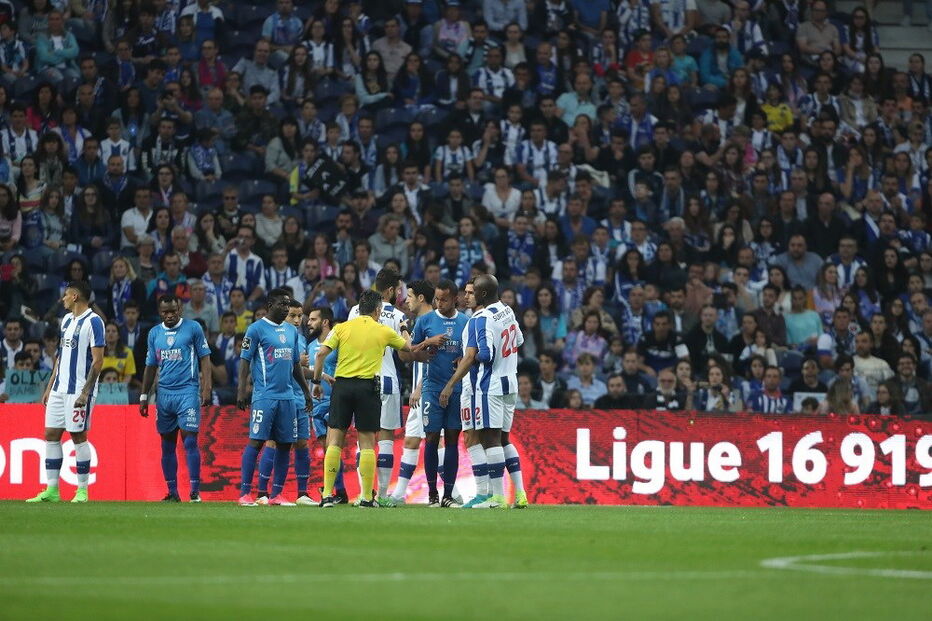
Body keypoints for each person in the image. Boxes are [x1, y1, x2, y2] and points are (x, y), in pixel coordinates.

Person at [313, 289, 428, 508]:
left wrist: (317, 382)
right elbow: (409, 347)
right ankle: (366, 497)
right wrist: (404, 328)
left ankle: (327, 494)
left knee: (335, 440)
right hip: (368, 387)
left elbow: (320, 354)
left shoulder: (341, 328)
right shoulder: (382, 330)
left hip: (343, 385)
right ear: (377, 310)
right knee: (367, 443)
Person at [440, 274, 528, 509]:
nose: (468, 296)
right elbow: (518, 340)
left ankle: (496, 497)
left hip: (489, 386)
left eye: (473, 292)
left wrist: (466, 360)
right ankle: (520, 494)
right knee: (504, 438)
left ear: (483, 294)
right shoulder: (506, 310)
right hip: (511, 382)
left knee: (490, 439)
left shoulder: (480, 319)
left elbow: (486, 354)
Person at [345, 269, 421, 502]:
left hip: (361, 378)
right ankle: (385, 495)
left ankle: (364, 494)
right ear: (389, 290)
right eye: (398, 290)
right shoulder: (399, 316)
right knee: (386, 439)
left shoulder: (354, 311)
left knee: (364, 440)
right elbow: (406, 351)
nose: (400, 294)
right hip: (388, 381)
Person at [26, 281, 104, 503]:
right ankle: (52, 490)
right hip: (60, 388)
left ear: (76, 296)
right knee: (51, 434)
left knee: (78, 436)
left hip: (79, 389)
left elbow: (98, 361)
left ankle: (82, 491)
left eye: (66, 295)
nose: (63, 299)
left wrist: (85, 393)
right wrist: (50, 386)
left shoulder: (94, 322)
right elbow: (60, 357)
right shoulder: (66, 320)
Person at [236, 289, 313, 507]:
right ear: (270, 304)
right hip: (264, 396)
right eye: (282, 304)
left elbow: (295, 364)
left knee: (285, 444)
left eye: (288, 304)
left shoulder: (291, 331)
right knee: (256, 441)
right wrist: (242, 390)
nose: (286, 308)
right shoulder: (256, 329)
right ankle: (245, 494)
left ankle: (276, 495)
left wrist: (305, 391)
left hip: (288, 397)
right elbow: (244, 361)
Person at [139, 295, 212, 503]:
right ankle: (172, 492)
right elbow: (151, 366)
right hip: (164, 395)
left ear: (179, 308)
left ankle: (195, 492)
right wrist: (144, 395)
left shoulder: (193, 328)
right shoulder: (154, 333)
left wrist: (207, 387)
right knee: (167, 444)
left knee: (190, 440)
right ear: (159, 312)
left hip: (187, 391)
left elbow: (205, 358)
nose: (169, 315)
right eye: (165, 312)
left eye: (173, 311)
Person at [405, 279, 469, 508]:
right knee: (431, 438)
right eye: (437, 299)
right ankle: (432, 493)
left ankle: (448, 495)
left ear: (455, 299)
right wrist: (427, 342)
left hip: (456, 388)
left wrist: (464, 359)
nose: (439, 303)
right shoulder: (425, 321)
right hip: (431, 388)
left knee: (452, 439)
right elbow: (408, 351)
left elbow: (472, 353)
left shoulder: (466, 322)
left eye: (444, 299)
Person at [391, 280, 436, 504]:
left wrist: (419, 387)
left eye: (409, 296)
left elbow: (434, 358)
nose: (406, 300)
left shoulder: (433, 322)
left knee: (436, 441)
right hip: (422, 391)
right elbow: (408, 355)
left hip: (430, 391)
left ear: (420, 298)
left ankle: (451, 491)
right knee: (411, 440)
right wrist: (403, 334)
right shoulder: (418, 322)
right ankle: (399, 492)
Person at [306, 306, 347, 504]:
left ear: (324, 322)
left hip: (335, 400)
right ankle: (336, 489)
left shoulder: (338, 342)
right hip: (316, 403)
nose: (308, 322)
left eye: (313, 319)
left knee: (333, 446)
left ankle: (336, 490)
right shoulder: (310, 345)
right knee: (326, 447)